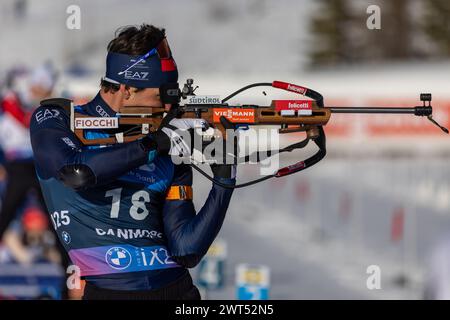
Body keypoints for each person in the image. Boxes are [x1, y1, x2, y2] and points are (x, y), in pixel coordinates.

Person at [30, 24, 236, 300]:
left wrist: (223, 181)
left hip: (177, 289)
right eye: (160, 95)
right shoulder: (58, 118)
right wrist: (153, 145)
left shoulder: (167, 140)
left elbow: (186, 250)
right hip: (109, 292)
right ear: (127, 90)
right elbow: (76, 173)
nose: (167, 107)